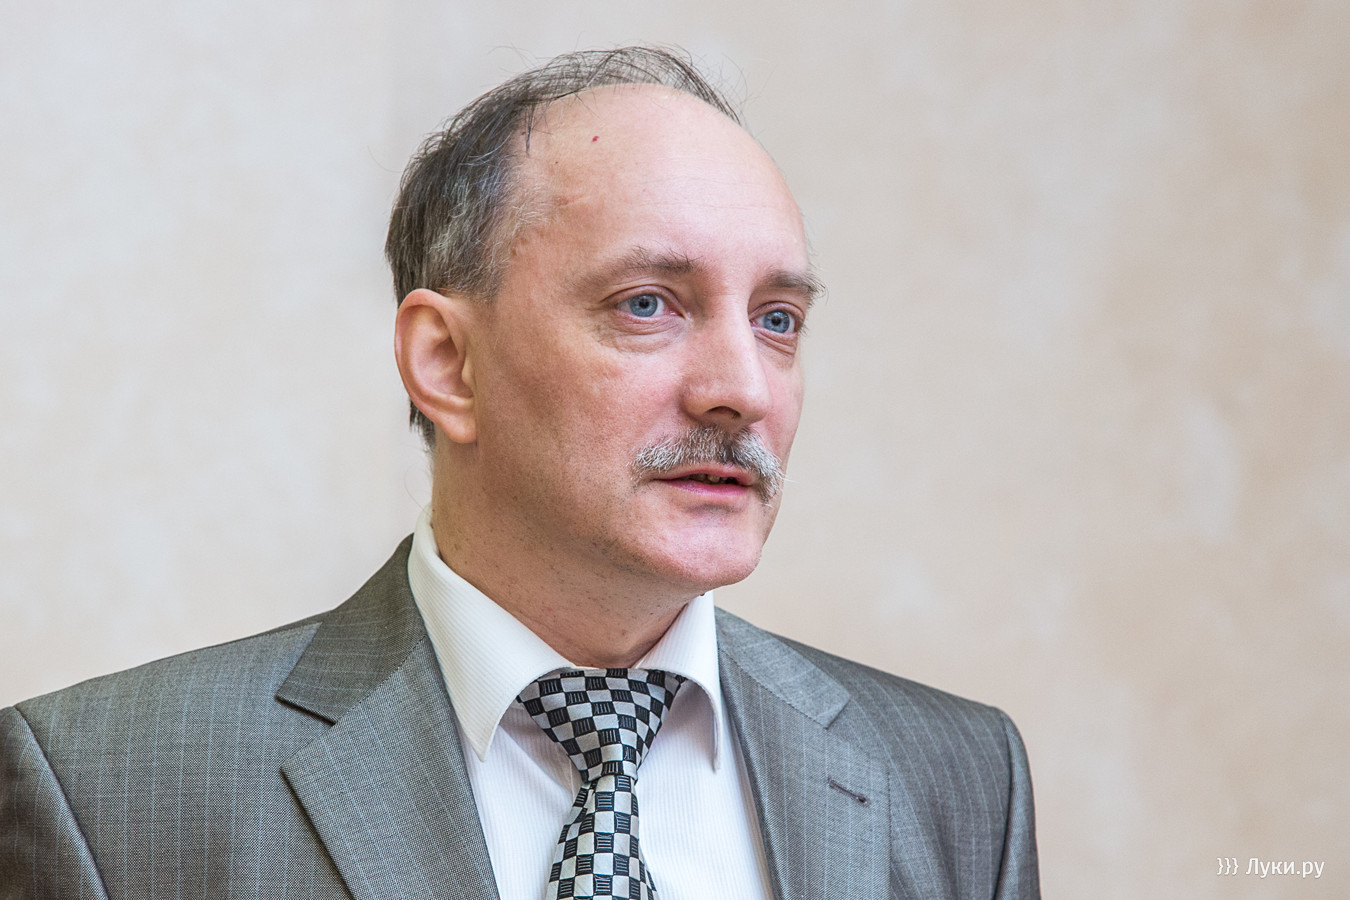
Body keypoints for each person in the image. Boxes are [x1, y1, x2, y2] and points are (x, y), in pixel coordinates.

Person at [0, 47, 1039, 899]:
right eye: (648, 304)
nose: (741, 390)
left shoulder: (960, 779)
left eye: (778, 320)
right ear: (448, 364)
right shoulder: (105, 795)